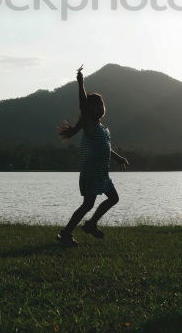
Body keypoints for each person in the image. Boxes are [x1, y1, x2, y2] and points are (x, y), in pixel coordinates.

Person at [56, 66, 130, 246]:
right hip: (91, 172)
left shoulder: (102, 129)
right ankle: (66, 233)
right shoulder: (89, 125)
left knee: (113, 198)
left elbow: (106, 149)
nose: (100, 107)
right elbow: (83, 103)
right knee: (87, 205)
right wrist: (80, 83)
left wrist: (118, 158)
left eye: (101, 104)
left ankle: (90, 224)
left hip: (102, 174)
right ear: (89, 110)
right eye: (95, 105)